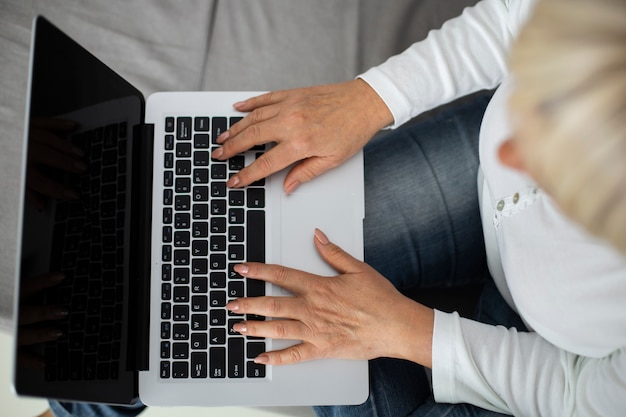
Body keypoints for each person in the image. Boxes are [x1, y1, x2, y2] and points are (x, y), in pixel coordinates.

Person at [47, 0, 626, 415]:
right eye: (542, 103)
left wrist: (408, 331)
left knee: (281, 331)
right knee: (231, 247)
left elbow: (579, 396)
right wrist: (370, 99)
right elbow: (517, 17)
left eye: (560, 168)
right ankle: (81, 403)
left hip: (560, 359)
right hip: (474, 198)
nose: (505, 146)